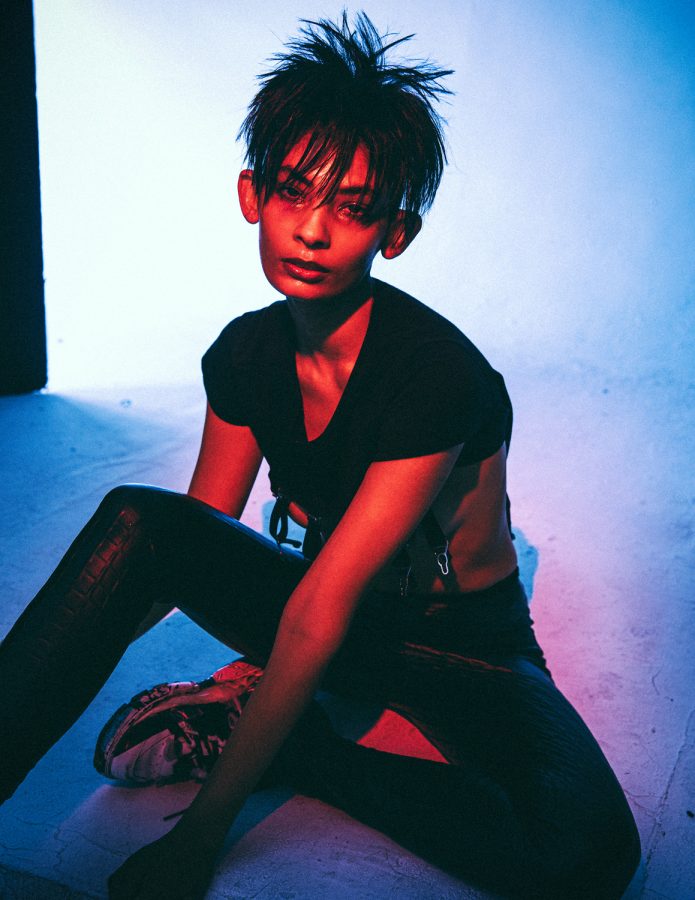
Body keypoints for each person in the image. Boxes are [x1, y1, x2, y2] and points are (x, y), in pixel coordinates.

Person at [0, 13, 640, 900]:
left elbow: (319, 609)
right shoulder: (244, 355)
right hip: (323, 607)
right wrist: (82, 628)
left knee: (585, 857)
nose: (311, 231)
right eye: (294, 192)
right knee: (138, 521)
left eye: (352, 208)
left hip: (456, 644)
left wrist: (203, 837)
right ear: (251, 194)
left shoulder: (435, 377)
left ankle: (296, 751)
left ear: (394, 233)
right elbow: (194, 537)